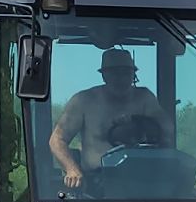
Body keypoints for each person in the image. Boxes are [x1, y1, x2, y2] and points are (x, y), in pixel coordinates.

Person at [48, 47, 173, 190]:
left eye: (126, 73)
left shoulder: (145, 98)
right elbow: (57, 140)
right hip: (97, 186)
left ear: (133, 75)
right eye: (115, 73)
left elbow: (167, 131)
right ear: (104, 75)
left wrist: (138, 124)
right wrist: (71, 169)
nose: (121, 79)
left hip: (142, 182)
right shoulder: (84, 101)